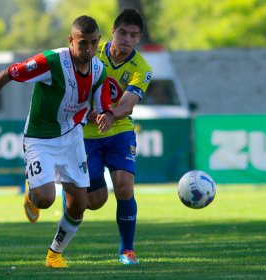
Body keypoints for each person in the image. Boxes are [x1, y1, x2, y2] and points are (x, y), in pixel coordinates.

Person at [0, 15, 114, 268]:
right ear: (70, 40)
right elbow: (9, 73)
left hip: (72, 137)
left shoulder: (98, 69)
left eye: (94, 43)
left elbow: (102, 105)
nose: (89, 50)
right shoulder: (50, 61)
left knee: (80, 205)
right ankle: (32, 190)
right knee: (44, 200)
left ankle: (54, 254)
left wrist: (105, 115)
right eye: (83, 43)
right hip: (40, 138)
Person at [83, 9, 152, 265]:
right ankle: (40, 186)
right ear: (112, 32)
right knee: (93, 201)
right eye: (122, 32)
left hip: (119, 130)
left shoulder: (142, 68)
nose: (126, 39)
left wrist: (110, 114)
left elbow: (128, 103)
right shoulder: (92, 51)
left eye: (133, 35)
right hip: (85, 134)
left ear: (139, 38)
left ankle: (127, 251)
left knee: (124, 187)